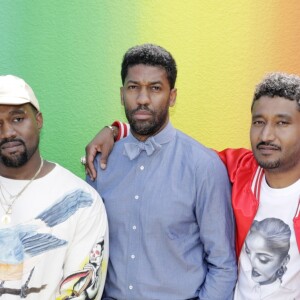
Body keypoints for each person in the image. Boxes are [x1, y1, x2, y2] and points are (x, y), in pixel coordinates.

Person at [84, 71, 300, 299]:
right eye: (259, 122)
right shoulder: (240, 169)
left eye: (282, 123)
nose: (266, 135)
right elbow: (173, 152)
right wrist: (117, 130)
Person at [86, 44, 237, 300]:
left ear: (172, 96)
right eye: (134, 88)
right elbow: (87, 252)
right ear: (122, 94)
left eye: (155, 88)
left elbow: (222, 265)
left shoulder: (203, 166)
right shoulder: (100, 164)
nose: (143, 99)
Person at [0, 75, 108, 299]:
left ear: (38, 120)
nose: (8, 132)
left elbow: (79, 292)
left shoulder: (84, 200)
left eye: (18, 119)